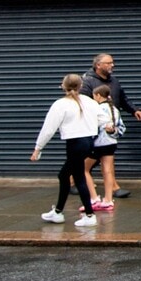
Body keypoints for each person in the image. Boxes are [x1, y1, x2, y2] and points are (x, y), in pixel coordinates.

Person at [30, 73, 101, 228]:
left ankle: (89, 215)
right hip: (89, 141)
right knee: (64, 175)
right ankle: (57, 211)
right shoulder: (89, 101)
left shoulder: (60, 104)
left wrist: (38, 147)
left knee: (79, 177)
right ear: (81, 86)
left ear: (63, 86)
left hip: (75, 143)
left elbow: (48, 129)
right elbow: (102, 118)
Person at [88, 53, 141, 198]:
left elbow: (122, 99)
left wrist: (134, 110)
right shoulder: (87, 82)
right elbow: (83, 105)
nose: (112, 65)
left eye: (112, 63)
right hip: (94, 130)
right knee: (93, 159)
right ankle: (73, 180)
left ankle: (112, 188)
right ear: (98, 65)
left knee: (101, 158)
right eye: (108, 63)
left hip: (109, 129)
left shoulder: (114, 82)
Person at [85, 83, 124, 210]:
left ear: (98, 95)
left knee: (83, 169)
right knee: (107, 171)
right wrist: (112, 132)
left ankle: (94, 198)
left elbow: (92, 126)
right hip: (111, 143)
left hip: (98, 144)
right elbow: (121, 128)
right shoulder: (115, 109)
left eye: (93, 96)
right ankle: (108, 200)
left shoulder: (97, 109)